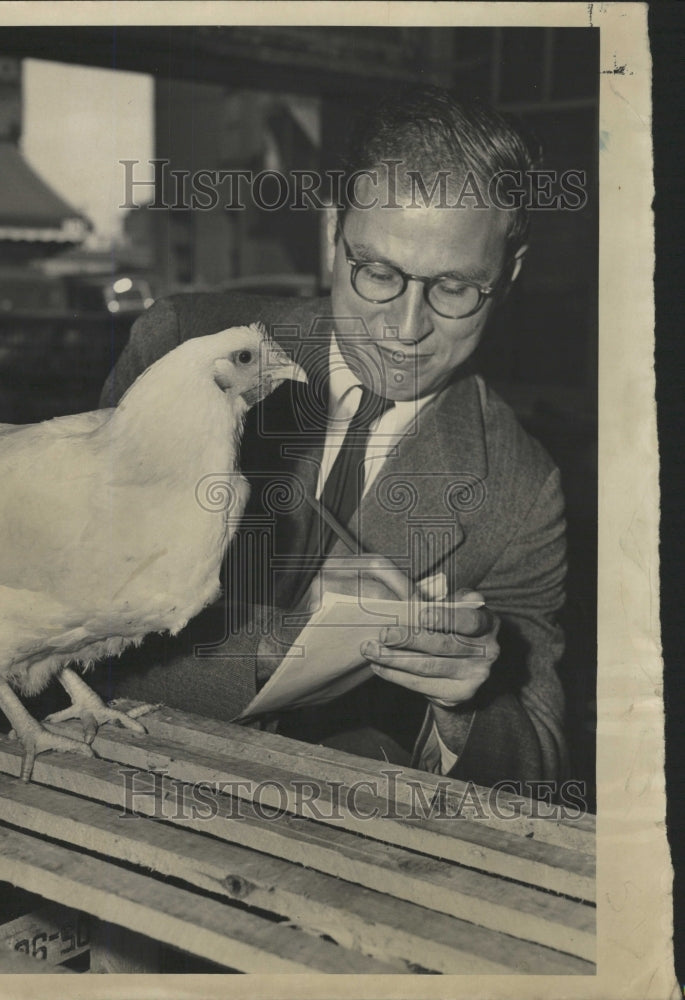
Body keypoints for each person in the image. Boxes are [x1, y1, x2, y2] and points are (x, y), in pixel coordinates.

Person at [106, 86, 570, 789]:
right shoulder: (182, 349)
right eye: (377, 272)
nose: (405, 328)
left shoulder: (519, 489)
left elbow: (537, 771)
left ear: (507, 272)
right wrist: (264, 649)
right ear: (332, 230)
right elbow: (59, 615)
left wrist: (465, 702)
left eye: (452, 289)